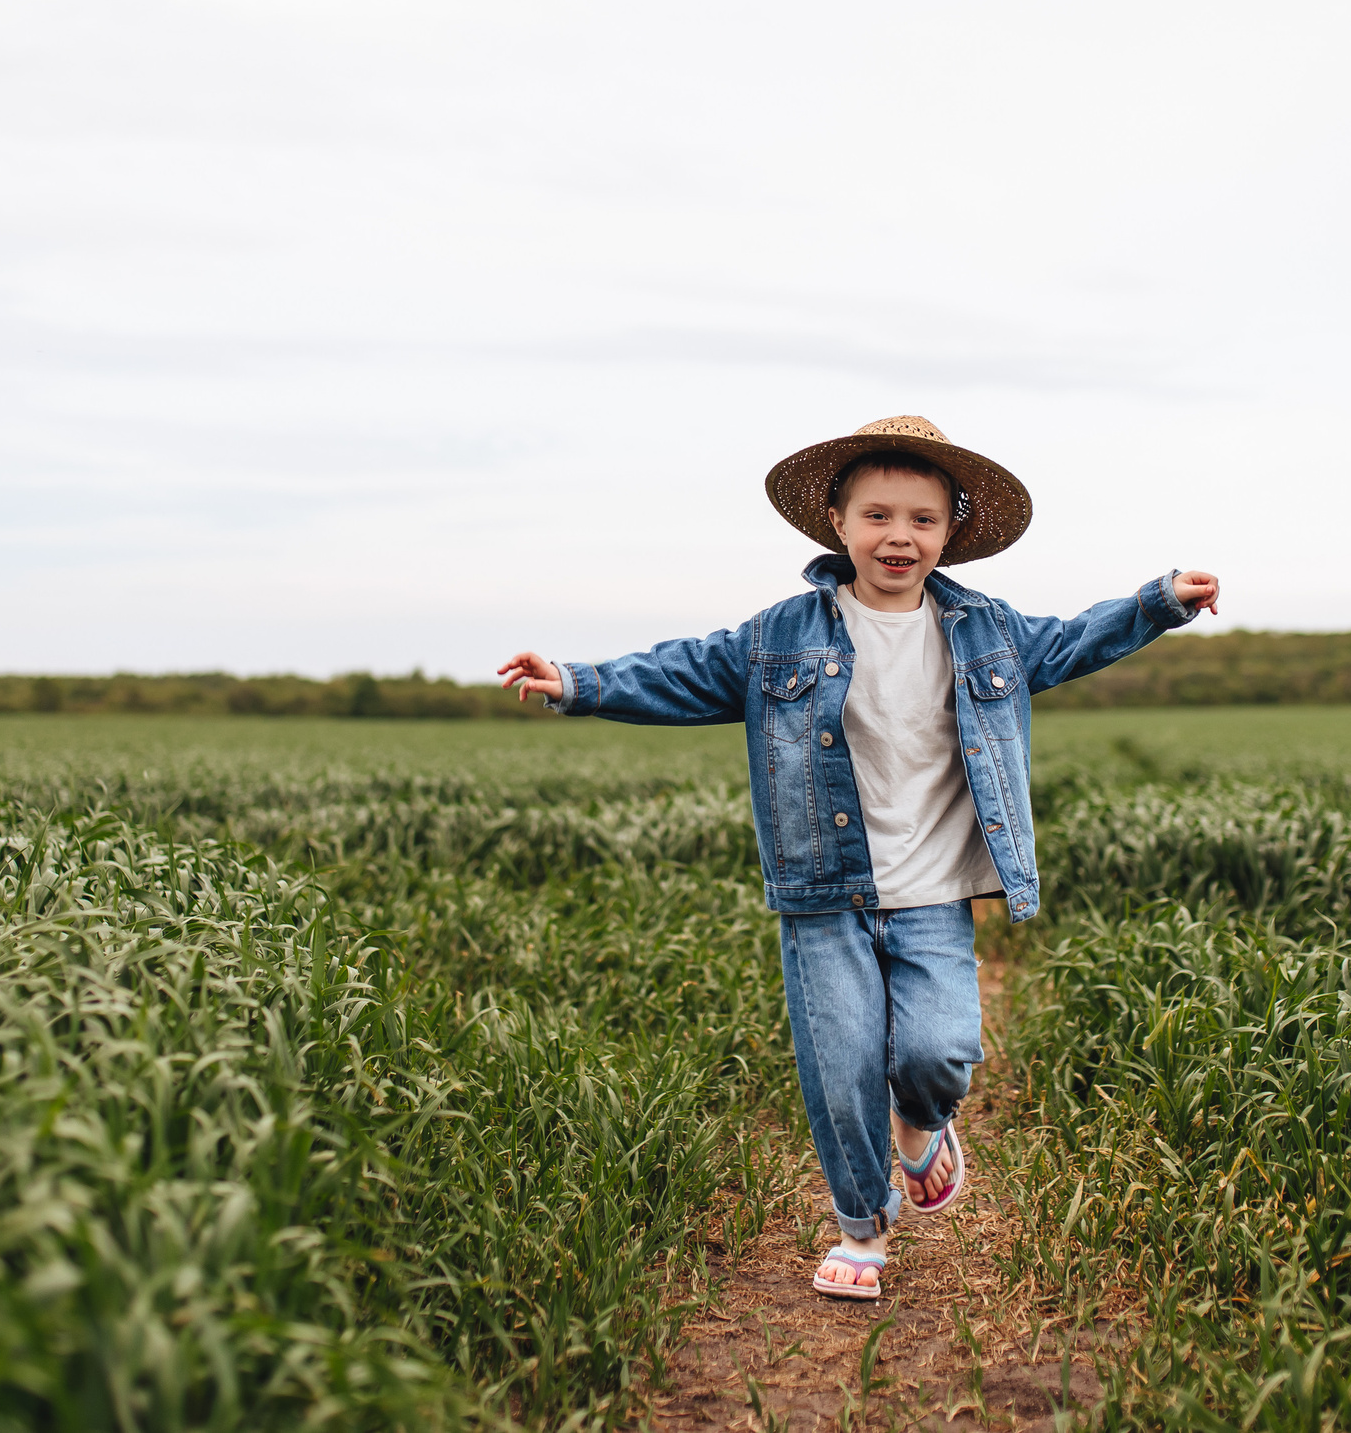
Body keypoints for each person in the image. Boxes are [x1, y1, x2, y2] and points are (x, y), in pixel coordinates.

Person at [497, 416, 1219, 1300]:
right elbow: (683, 672)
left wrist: (1157, 602)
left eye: (921, 519)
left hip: (934, 888)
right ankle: (863, 1228)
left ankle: (922, 1127)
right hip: (823, 886)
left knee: (937, 1052)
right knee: (840, 1065)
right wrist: (577, 681)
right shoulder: (780, 634)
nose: (898, 536)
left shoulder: (988, 631)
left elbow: (1074, 639)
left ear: (949, 531)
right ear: (835, 522)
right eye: (877, 515)